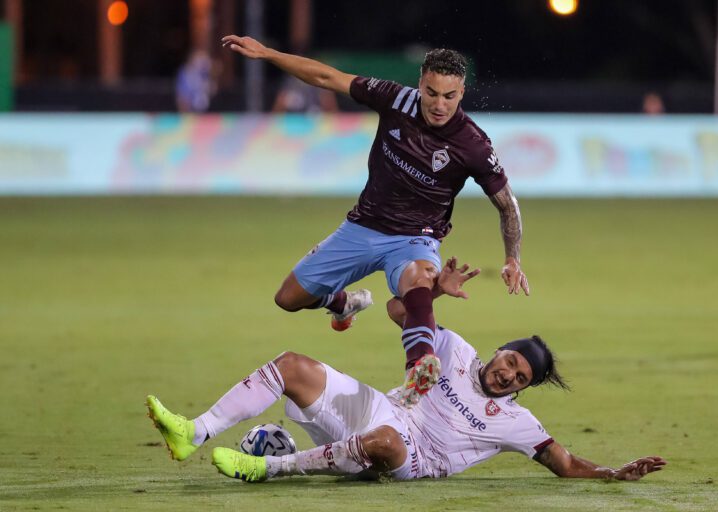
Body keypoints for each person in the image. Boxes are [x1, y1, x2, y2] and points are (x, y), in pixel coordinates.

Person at [146, 260, 666, 483]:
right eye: (511, 360)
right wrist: (434, 293)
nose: (510, 375)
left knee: (388, 441)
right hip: (381, 407)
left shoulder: (518, 423)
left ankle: (271, 465)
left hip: (411, 458)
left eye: (521, 377)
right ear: (500, 349)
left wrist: (611, 472)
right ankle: (195, 431)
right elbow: (400, 312)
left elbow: (565, 462)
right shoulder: (455, 348)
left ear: (523, 389)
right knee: (292, 365)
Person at [221, 35, 529, 405]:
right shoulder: (395, 99)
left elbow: (507, 205)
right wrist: (268, 53)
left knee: (418, 278)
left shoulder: (474, 145)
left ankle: (419, 367)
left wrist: (513, 257)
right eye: (431, 93)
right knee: (287, 299)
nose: (439, 104)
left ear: (462, 92)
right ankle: (341, 304)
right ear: (420, 84)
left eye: (449, 96)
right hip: (363, 227)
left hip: (417, 237)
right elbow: (326, 78)